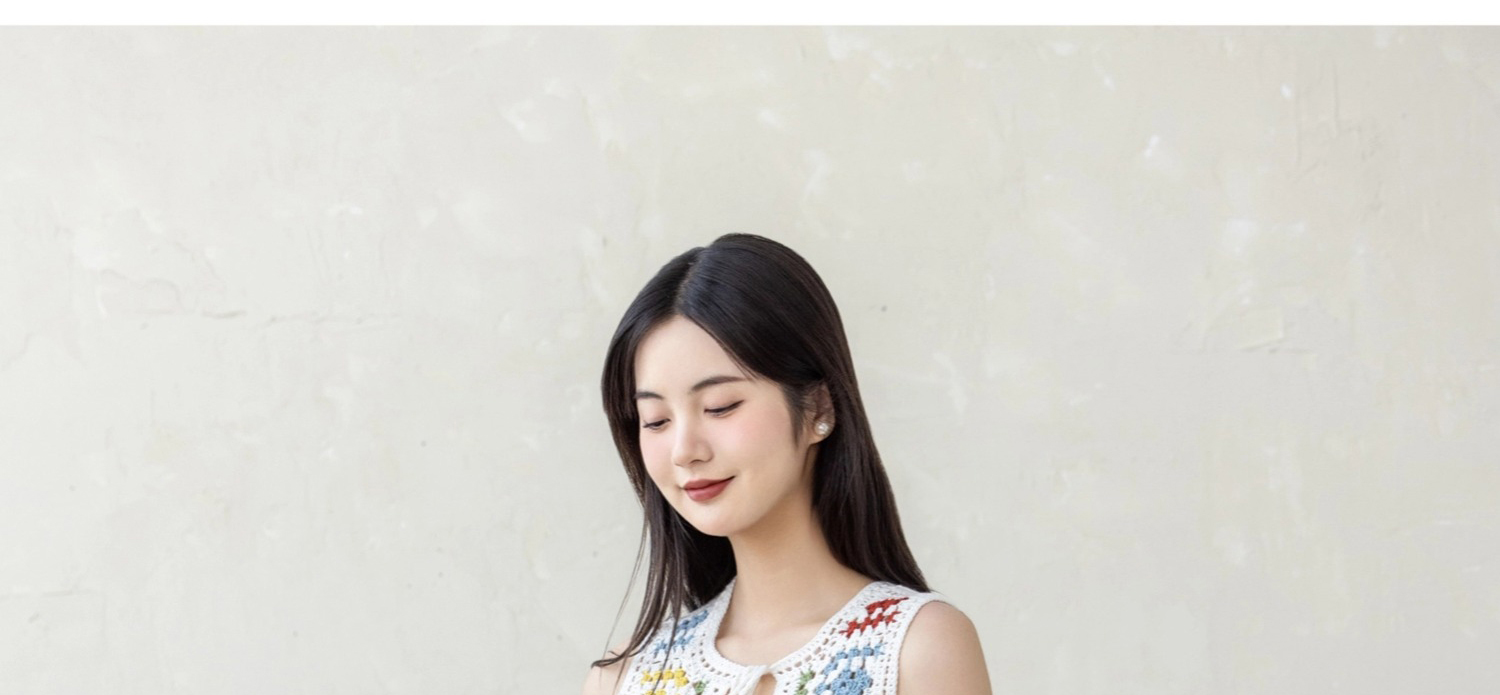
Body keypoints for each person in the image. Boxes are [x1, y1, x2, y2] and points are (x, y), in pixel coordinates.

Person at [581, 233, 990, 695]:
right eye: (656, 420)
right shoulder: (622, 678)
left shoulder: (917, 648)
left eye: (719, 406)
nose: (684, 450)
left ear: (818, 408)